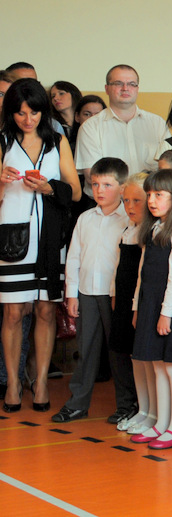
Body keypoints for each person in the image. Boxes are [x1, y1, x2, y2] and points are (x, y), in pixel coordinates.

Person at [0, 79, 81, 414]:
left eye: (33, 112)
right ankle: (14, 382)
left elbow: (75, 191)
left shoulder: (57, 141)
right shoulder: (3, 141)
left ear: (42, 111)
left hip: (49, 238)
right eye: (20, 113)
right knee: (13, 312)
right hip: (11, 239)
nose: (27, 119)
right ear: (11, 113)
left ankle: (42, 380)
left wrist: (49, 188)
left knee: (46, 310)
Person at [52, 158, 130, 424]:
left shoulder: (128, 219)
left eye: (107, 185)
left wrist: (117, 295)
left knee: (117, 352)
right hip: (86, 292)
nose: (99, 190)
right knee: (86, 350)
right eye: (95, 184)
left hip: (112, 295)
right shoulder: (85, 218)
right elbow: (74, 256)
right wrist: (71, 294)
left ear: (122, 188)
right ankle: (77, 404)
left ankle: (126, 405)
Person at [128, 169, 172, 450]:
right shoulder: (154, 228)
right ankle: (161, 423)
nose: (151, 200)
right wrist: (137, 306)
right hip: (151, 305)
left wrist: (166, 313)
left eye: (159, 194)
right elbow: (143, 274)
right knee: (157, 366)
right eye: (149, 194)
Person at [75, 65, 169, 205]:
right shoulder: (90, 127)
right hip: (108, 207)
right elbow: (91, 176)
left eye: (131, 84)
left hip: (151, 204)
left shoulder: (157, 124)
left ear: (137, 89)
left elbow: (168, 170)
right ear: (107, 89)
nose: (125, 88)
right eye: (118, 83)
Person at [113, 173, 149, 433]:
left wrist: (135, 304)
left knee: (141, 354)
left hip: (140, 302)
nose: (130, 206)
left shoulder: (150, 233)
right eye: (126, 200)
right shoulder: (128, 229)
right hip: (124, 299)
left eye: (137, 201)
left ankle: (144, 407)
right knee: (122, 350)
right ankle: (128, 404)